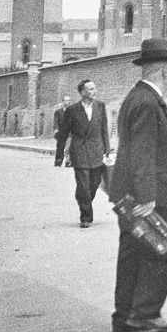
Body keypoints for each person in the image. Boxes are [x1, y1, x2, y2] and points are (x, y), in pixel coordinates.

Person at [109, 38, 167, 332]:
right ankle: (145, 314)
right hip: (143, 195)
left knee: (133, 253)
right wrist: (147, 197)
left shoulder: (138, 97)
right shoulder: (146, 102)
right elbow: (142, 152)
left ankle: (126, 315)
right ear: (164, 71)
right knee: (164, 246)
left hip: (129, 193)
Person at [54, 80, 111, 228]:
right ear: (83, 92)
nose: (95, 91)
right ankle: (86, 217)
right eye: (91, 89)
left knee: (94, 183)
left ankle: (83, 199)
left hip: (96, 149)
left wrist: (107, 149)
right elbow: (63, 133)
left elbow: (104, 128)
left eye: (94, 88)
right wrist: (59, 156)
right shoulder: (72, 110)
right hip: (79, 150)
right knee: (84, 185)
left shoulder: (100, 106)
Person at [53, 94, 73, 168]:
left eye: (69, 101)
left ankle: (68, 162)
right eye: (66, 100)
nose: (68, 102)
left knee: (69, 147)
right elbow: (56, 121)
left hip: (69, 133)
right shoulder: (58, 112)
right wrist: (56, 129)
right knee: (60, 147)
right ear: (63, 102)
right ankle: (58, 161)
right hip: (61, 133)